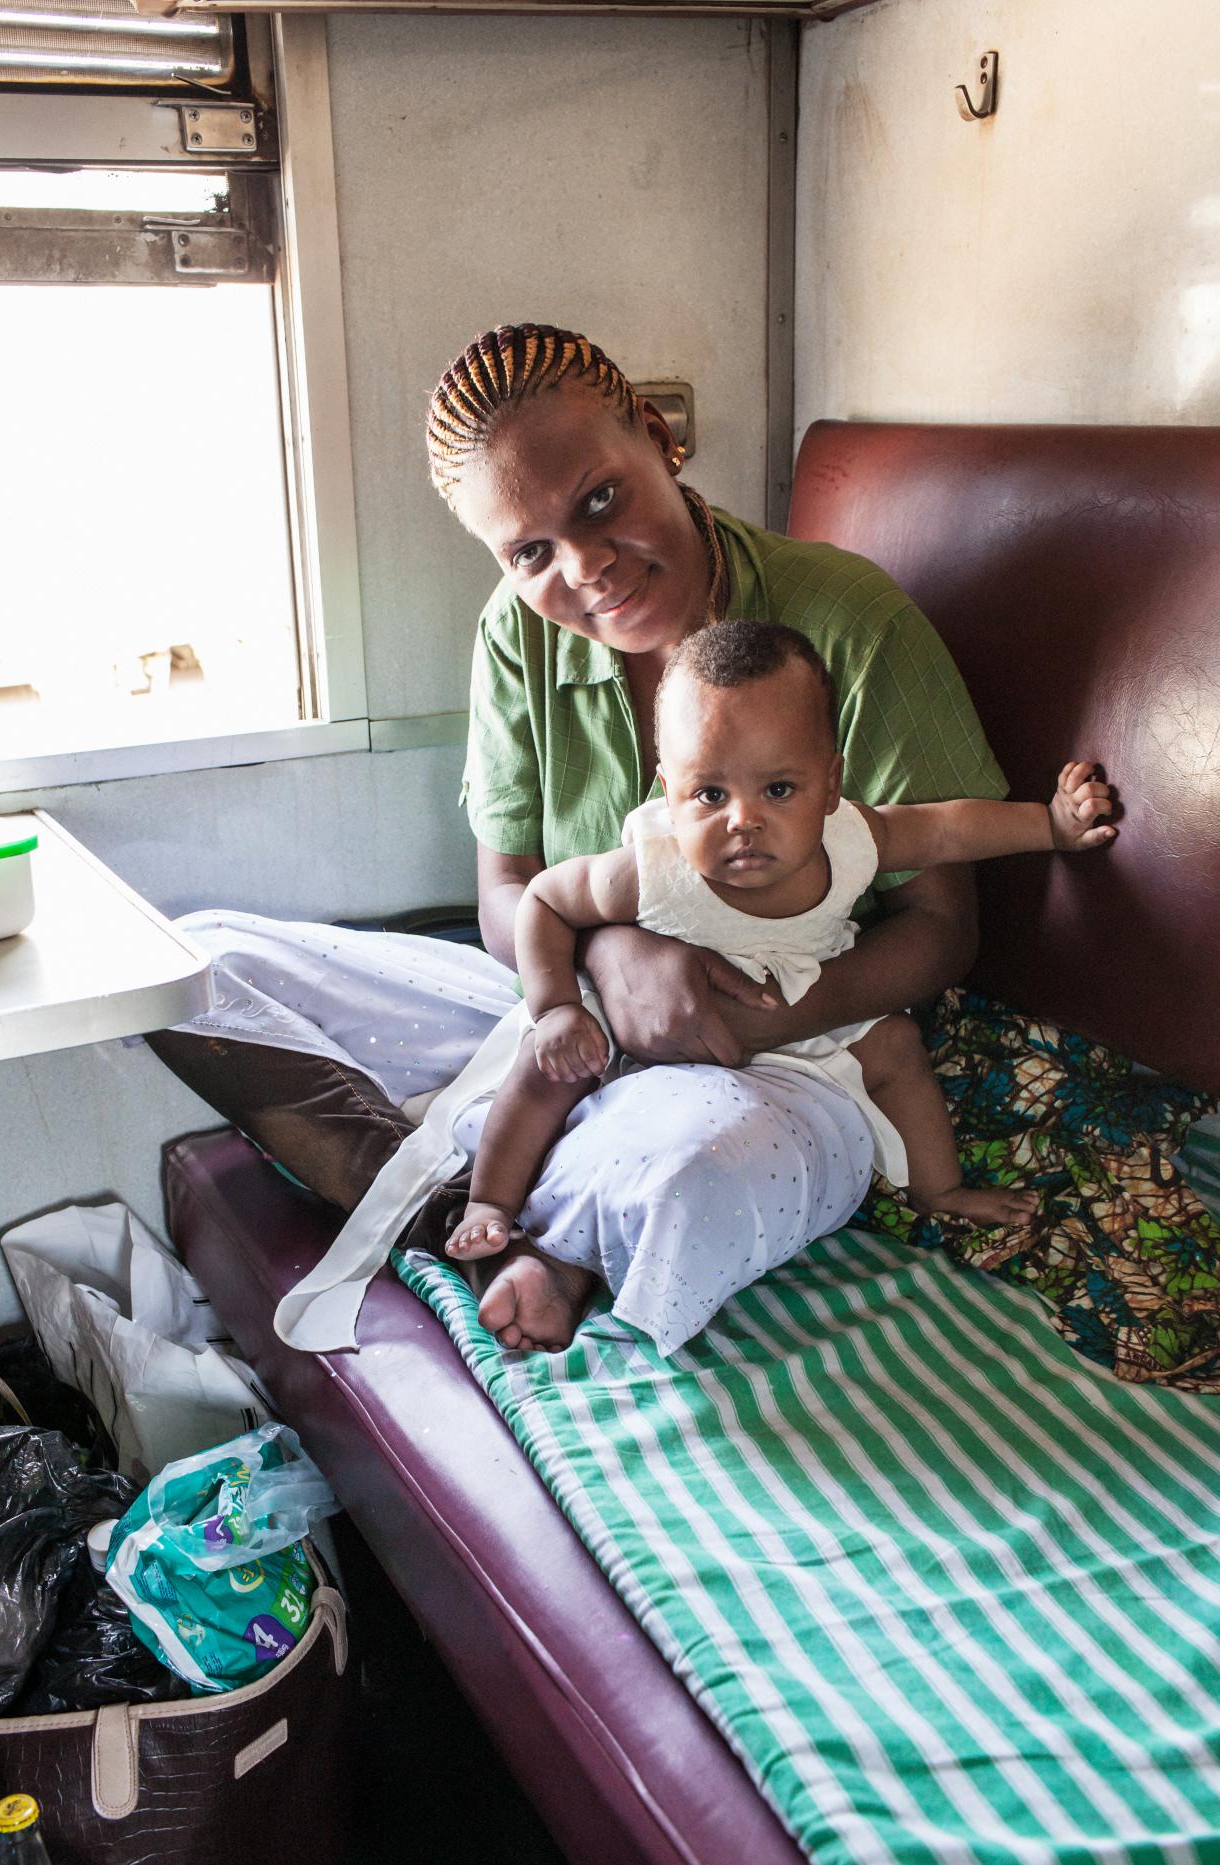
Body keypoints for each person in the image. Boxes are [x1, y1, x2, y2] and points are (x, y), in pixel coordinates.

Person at [148, 321, 1010, 1360]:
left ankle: (501, 1192)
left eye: (599, 500)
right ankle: (487, 1206)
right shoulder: (516, 635)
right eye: (530, 552)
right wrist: (604, 965)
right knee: (193, 967)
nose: (586, 568)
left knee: (689, 1173)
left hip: (785, 1057)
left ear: (656, 437)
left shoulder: (845, 622)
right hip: (575, 1023)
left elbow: (940, 927)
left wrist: (756, 1024)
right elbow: (504, 892)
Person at [440, 619, 1116, 1353]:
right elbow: (541, 899)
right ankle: (491, 1202)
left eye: (780, 788)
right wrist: (556, 1008)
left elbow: (949, 830)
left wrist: (1050, 826)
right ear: (669, 794)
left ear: (831, 784)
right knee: (548, 1063)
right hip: (651, 1033)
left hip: (800, 1032)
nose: (743, 821)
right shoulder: (655, 868)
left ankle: (938, 1187)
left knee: (895, 1043)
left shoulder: (853, 838)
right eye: (708, 794)